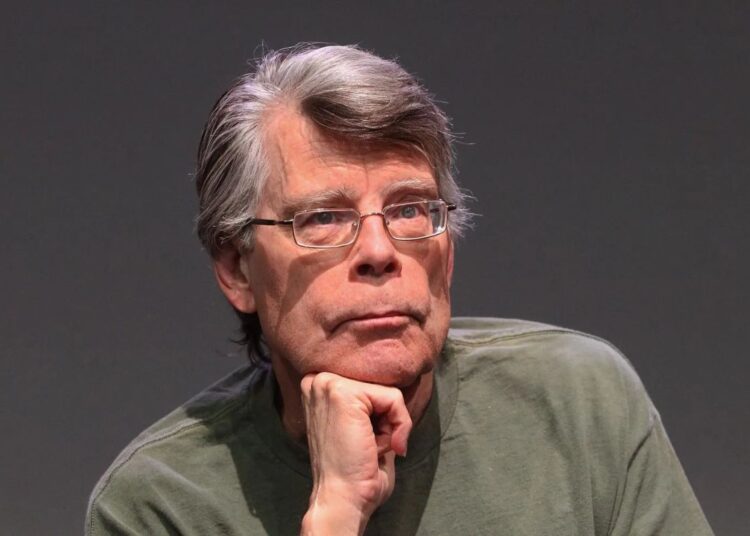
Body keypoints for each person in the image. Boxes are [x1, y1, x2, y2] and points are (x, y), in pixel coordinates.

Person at [86, 44, 713, 535]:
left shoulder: (579, 403)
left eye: (411, 210)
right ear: (237, 270)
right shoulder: (159, 505)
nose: (380, 252)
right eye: (323, 219)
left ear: (448, 250)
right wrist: (335, 512)